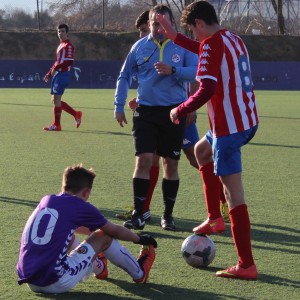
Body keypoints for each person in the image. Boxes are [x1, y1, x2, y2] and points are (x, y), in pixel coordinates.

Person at [157, 1, 259, 280]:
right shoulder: (230, 37)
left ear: (200, 24)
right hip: (246, 119)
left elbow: (207, 87)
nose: (193, 35)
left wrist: (181, 109)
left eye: (192, 30)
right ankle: (214, 219)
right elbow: (204, 50)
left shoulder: (212, 44)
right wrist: (174, 37)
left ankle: (246, 264)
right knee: (202, 151)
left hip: (229, 127)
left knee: (234, 195)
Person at [114, 4, 198, 231]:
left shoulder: (183, 46)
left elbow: (198, 71)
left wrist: (174, 71)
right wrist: (118, 105)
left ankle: (167, 216)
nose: (158, 28)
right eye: (154, 23)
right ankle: (139, 214)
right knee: (142, 160)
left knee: (170, 164)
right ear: (149, 24)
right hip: (146, 112)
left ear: (171, 24)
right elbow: (124, 76)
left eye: (163, 23)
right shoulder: (139, 47)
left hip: (174, 112)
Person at [16, 164, 157, 294]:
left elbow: (70, 227)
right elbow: (114, 231)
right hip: (55, 281)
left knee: (68, 234)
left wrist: (92, 237)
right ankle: (140, 273)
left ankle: (99, 267)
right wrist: (140, 239)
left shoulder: (47, 200)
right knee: (104, 236)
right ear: (86, 192)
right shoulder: (79, 205)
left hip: (31, 281)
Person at [43, 23, 82, 131]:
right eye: (59, 31)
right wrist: (49, 73)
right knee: (54, 100)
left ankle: (57, 125)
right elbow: (57, 62)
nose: (60, 33)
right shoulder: (60, 45)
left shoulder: (68, 46)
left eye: (63, 31)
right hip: (58, 74)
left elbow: (69, 62)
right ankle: (76, 114)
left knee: (56, 99)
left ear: (67, 33)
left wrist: (55, 69)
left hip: (63, 74)